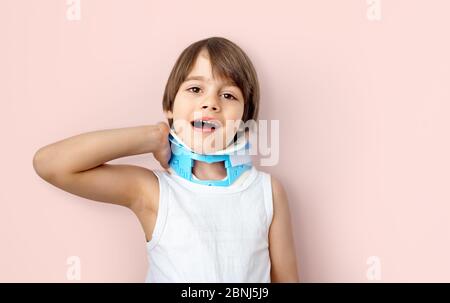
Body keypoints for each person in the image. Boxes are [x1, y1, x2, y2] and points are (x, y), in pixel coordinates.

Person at [33, 36, 299, 283]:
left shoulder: (267, 192)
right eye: (195, 89)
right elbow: (50, 163)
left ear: (245, 118)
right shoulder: (152, 191)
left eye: (228, 95)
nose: (210, 103)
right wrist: (151, 136)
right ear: (170, 107)